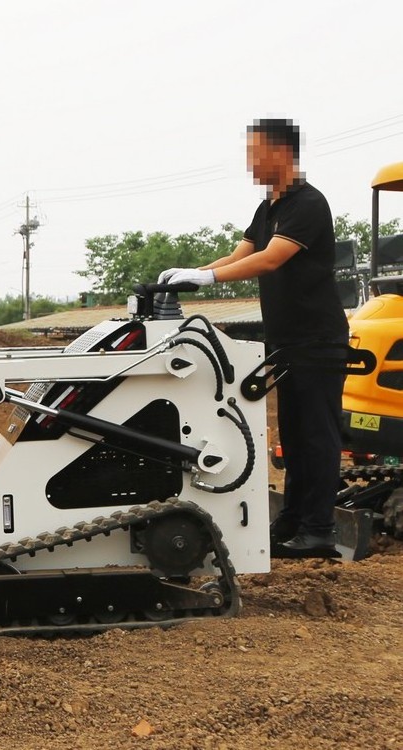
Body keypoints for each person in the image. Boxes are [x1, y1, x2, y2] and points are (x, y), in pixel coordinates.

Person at [159, 118, 349, 559]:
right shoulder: (269, 207)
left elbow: (270, 259)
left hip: (318, 340)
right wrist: (189, 275)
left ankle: (319, 529)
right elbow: (240, 254)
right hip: (287, 342)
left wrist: (206, 278)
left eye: (255, 153)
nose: (251, 163)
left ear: (282, 152)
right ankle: (292, 522)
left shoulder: (308, 203)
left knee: (318, 436)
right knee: (295, 435)